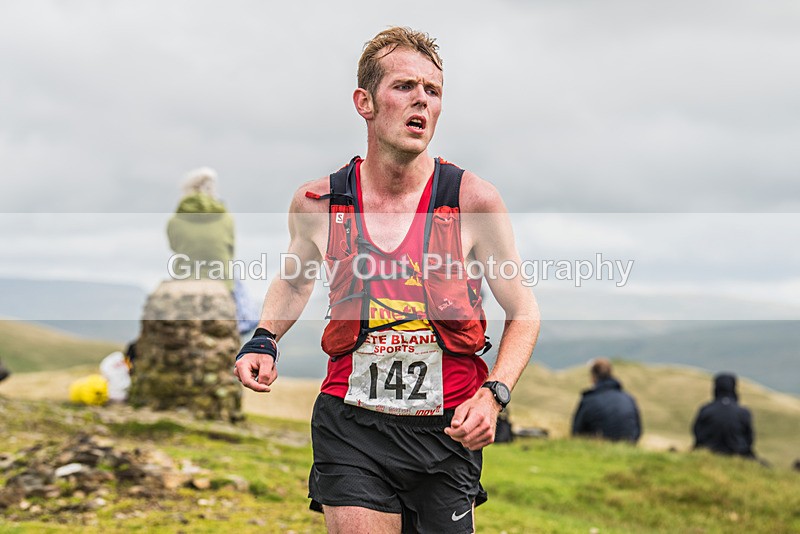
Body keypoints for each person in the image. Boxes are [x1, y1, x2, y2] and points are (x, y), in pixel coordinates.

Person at [234, 27, 539, 533]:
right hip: (351, 423)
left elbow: (522, 310)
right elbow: (295, 282)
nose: (422, 100)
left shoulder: (473, 201)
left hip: (447, 431)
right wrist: (264, 339)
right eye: (404, 86)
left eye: (433, 91)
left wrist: (494, 394)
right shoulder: (318, 203)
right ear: (365, 102)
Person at [167, 167, 258, 334]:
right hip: (222, 281)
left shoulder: (174, 221)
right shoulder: (226, 218)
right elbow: (230, 250)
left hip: (184, 280)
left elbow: (174, 246)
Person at [571, 358, 642, 442]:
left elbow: (576, 433)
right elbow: (638, 429)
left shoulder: (589, 401)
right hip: (629, 444)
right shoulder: (628, 398)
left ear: (593, 377)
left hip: (599, 445)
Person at [692, 372, 755, 458]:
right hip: (737, 453)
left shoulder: (705, 410)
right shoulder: (743, 412)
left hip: (708, 452)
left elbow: (697, 433)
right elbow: (749, 439)